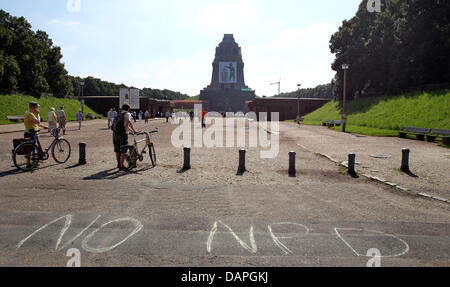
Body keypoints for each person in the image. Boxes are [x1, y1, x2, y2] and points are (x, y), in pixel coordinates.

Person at [112, 103, 138, 169]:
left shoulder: (119, 114)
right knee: (124, 150)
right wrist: (134, 130)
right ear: (128, 108)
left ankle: (118, 164)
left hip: (115, 133)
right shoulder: (127, 114)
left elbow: (125, 125)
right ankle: (122, 165)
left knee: (117, 149)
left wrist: (131, 131)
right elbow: (128, 122)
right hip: (123, 134)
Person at [24, 102, 49, 168]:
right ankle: (28, 164)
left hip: (28, 132)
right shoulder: (30, 114)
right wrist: (38, 114)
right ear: (34, 107)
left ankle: (31, 162)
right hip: (31, 133)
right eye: (37, 107)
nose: (37, 108)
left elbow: (35, 123)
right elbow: (38, 121)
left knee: (31, 148)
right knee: (30, 149)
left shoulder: (28, 112)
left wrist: (44, 126)